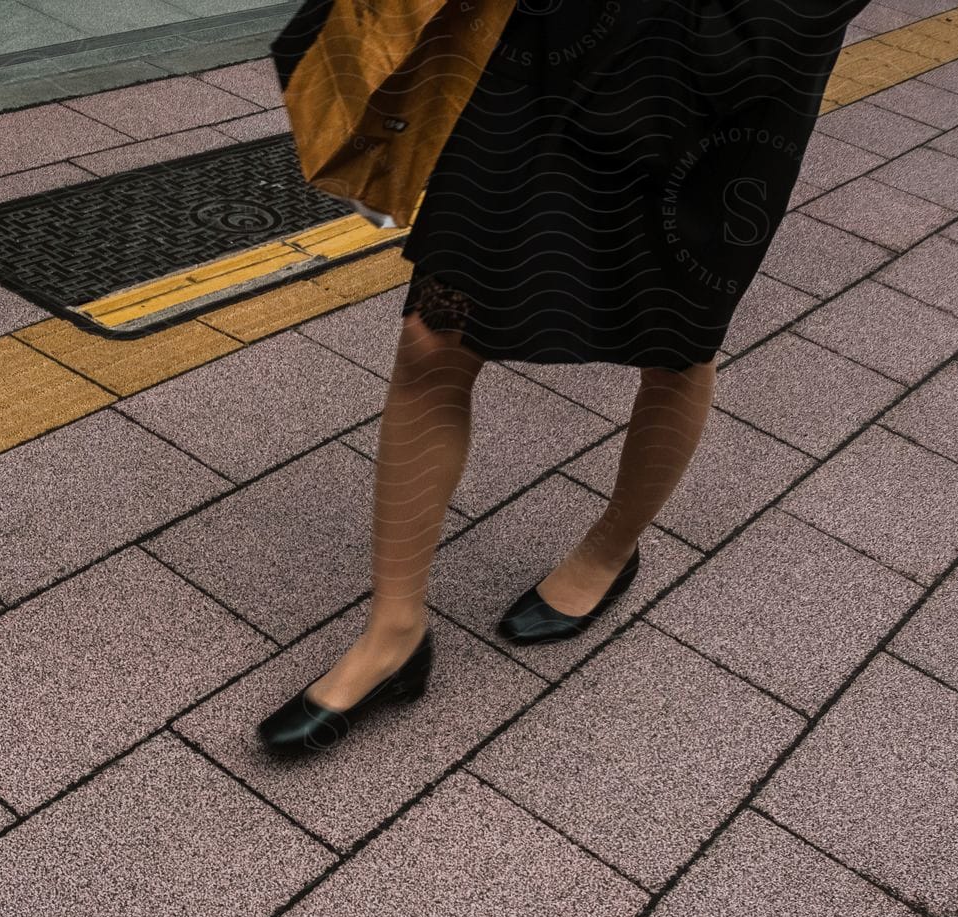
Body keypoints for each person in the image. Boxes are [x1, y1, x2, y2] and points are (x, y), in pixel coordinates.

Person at [259, 0, 869, 754]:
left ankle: (612, 549)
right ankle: (394, 633)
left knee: (675, 340)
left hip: (732, 60)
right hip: (546, 41)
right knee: (433, 335)